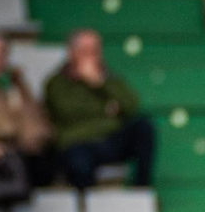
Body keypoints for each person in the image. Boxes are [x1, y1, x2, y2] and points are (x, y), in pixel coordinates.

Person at [44, 30, 155, 190]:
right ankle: (89, 209)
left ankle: (142, 188)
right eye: (85, 51)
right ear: (71, 53)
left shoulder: (108, 78)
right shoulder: (57, 83)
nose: (91, 56)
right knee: (78, 164)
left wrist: (99, 83)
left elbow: (131, 105)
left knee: (144, 126)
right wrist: (106, 109)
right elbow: (67, 112)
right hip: (78, 142)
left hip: (111, 139)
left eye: (95, 51)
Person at [0, 35, 54, 191]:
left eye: (2, 52)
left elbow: (35, 121)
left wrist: (35, 141)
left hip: (22, 152)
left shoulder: (15, 84)